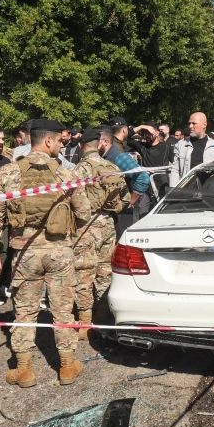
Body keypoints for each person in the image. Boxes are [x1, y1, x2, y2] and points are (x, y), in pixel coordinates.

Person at [0, 119, 93, 388]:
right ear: (47, 141)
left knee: (24, 312)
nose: (61, 145)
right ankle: (67, 367)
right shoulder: (67, 175)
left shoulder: (6, 173)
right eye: (59, 141)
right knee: (63, 311)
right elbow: (84, 213)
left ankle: (24, 370)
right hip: (59, 252)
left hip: (24, 254)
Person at [72, 126, 130, 340]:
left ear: (81, 146)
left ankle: (85, 322)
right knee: (106, 270)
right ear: (99, 145)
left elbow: (72, 200)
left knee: (84, 272)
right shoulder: (112, 167)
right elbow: (125, 198)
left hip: (86, 226)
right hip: (108, 224)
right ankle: (104, 315)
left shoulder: (80, 169)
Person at [170, 112, 214, 186]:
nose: (190, 126)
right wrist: (173, 190)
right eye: (189, 123)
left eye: (194, 123)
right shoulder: (181, 144)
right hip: (186, 189)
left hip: (207, 190)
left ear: (204, 125)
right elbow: (175, 169)